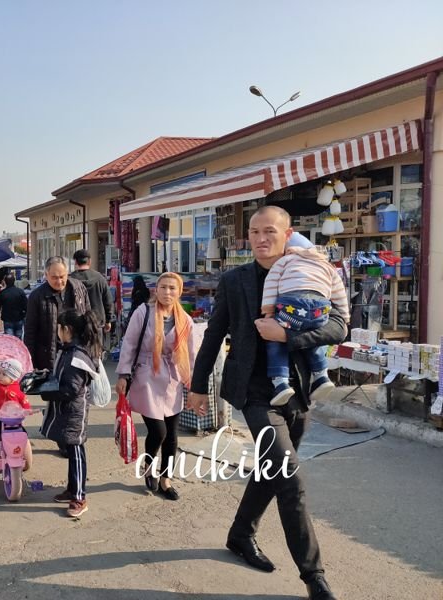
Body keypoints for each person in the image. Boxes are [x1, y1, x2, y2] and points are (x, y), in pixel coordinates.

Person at [188, 205, 346, 600]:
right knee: (291, 481)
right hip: (254, 393)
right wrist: (197, 386)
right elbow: (213, 334)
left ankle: (241, 534)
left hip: (299, 390)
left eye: (269, 231)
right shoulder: (235, 279)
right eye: (255, 232)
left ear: (287, 233)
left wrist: (288, 336)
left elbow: (339, 325)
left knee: (271, 469)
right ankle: (314, 577)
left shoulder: (310, 268)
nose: (261, 239)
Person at [115, 272, 195, 501]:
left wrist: (194, 384)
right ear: (156, 290)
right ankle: (149, 467)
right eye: (164, 287)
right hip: (146, 375)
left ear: (179, 292)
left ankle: (165, 479)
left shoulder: (184, 319)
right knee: (158, 431)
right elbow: (129, 344)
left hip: (172, 379)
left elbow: (191, 354)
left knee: (172, 434)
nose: (167, 292)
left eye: (172, 288)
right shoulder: (144, 312)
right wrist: (123, 374)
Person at [261, 232, 350, 406]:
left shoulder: (284, 261)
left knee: (274, 338)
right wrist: (345, 316)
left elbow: (271, 284)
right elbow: (339, 292)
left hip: (291, 307)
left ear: (288, 249)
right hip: (319, 309)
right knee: (313, 334)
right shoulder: (326, 265)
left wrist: (268, 310)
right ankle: (321, 375)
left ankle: (280, 382)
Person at [41, 309, 102, 518]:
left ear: (67, 329)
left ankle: (79, 497)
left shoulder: (77, 356)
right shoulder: (69, 350)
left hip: (75, 412)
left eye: (59, 328)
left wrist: (47, 392)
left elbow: (71, 389)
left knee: (76, 452)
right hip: (68, 410)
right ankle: (72, 489)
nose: (57, 332)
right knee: (71, 449)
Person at [24, 256, 91, 372]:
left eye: (62, 277)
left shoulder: (79, 289)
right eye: (54, 277)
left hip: (78, 353)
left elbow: (89, 320)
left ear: (67, 273)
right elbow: (30, 332)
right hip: (48, 357)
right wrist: (30, 363)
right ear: (46, 275)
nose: (59, 281)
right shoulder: (37, 296)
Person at [70, 249, 114, 341]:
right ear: (89, 261)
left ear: (75, 262)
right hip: (97, 323)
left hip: (76, 325)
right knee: (97, 349)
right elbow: (108, 301)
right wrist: (108, 320)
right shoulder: (100, 278)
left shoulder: (70, 280)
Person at [0, 274, 28, 339]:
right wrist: (25, 316)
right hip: (19, 318)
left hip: (7, 319)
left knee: (10, 339)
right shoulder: (20, 292)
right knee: (18, 339)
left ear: (5, 282)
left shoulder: (2, 293)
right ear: (14, 281)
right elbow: (26, 306)